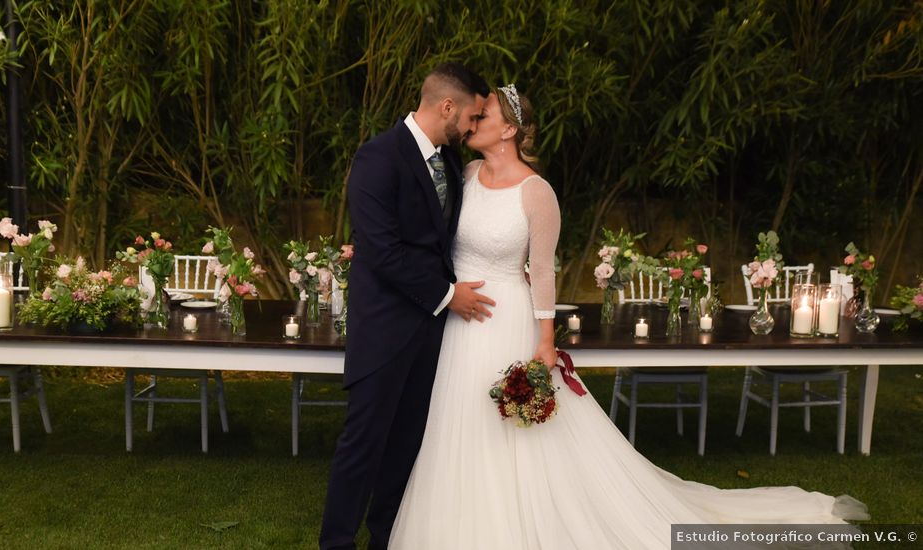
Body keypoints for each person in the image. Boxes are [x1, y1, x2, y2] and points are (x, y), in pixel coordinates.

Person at [388, 85, 868, 549]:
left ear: (509, 129)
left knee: (516, 430)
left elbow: (543, 273)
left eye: (483, 114)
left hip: (507, 319)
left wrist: (546, 341)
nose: (472, 120)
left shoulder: (537, 193)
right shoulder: (465, 175)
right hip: (458, 322)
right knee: (458, 424)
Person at [318, 63, 493, 550]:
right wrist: (448, 296)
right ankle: (335, 542)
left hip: (432, 332)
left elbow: (443, 242)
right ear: (447, 107)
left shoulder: (451, 163)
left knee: (406, 445)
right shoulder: (378, 158)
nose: (473, 127)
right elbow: (383, 251)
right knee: (364, 444)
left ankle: (387, 538)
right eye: (472, 117)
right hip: (385, 328)